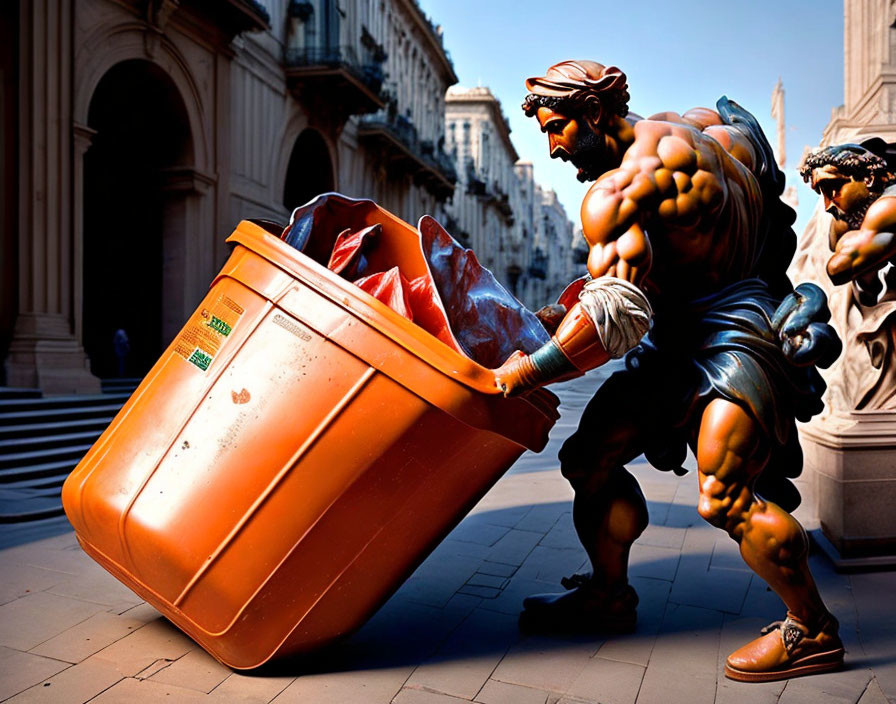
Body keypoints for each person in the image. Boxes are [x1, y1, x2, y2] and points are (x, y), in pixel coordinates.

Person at [494, 60, 843, 682]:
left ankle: (812, 629)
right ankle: (608, 594)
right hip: (700, 330)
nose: (552, 150)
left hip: (734, 341)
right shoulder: (711, 131)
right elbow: (676, 252)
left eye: (556, 130)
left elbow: (617, 316)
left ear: (595, 114)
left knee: (724, 495)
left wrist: (525, 374)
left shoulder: (615, 193)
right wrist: (561, 306)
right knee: (588, 458)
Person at [799, 141, 896, 409]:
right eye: (821, 193)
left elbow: (838, 268)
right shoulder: (862, 213)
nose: (828, 204)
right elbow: (866, 285)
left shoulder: (887, 208)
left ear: (869, 179)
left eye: (834, 189)